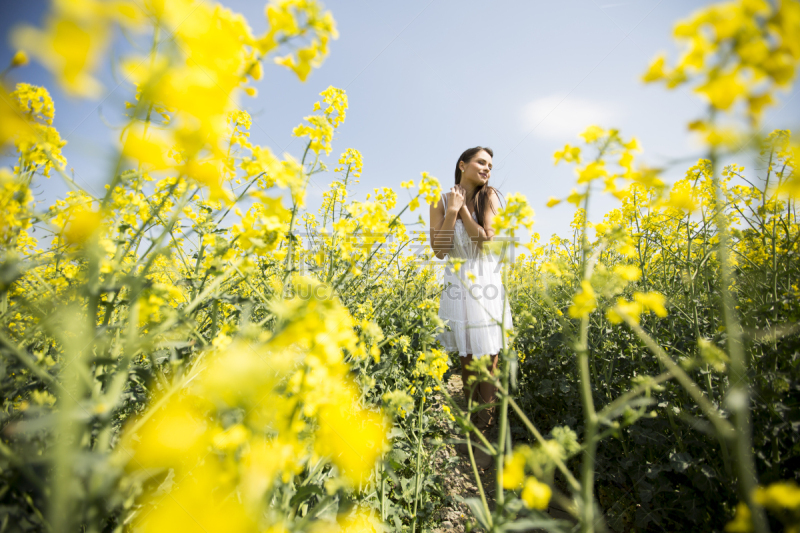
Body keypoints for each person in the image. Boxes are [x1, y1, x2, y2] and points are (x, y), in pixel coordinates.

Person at [429, 146, 512, 469]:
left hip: (484, 283)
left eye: (490, 164)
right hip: (456, 286)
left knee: (487, 363)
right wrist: (451, 210)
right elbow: (439, 250)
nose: (487, 168)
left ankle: (486, 438)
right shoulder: (439, 201)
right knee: (466, 364)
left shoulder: (488, 196)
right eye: (481, 161)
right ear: (462, 165)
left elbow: (486, 240)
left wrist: (463, 210)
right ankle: (472, 430)